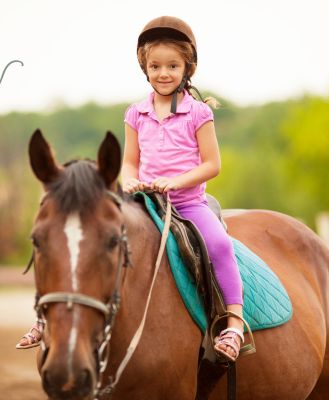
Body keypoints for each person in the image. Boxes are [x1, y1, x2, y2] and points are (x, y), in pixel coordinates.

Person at [121, 16, 245, 362]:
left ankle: (234, 322)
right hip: (145, 202)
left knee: (219, 244)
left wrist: (176, 181)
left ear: (187, 67)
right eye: (155, 66)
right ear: (144, 68)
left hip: (187, 204)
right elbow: (130, 160)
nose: (164, 73)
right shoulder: (135, 114)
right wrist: (128, 179)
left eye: (172, 65)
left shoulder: (198, 112)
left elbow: (212, 164)